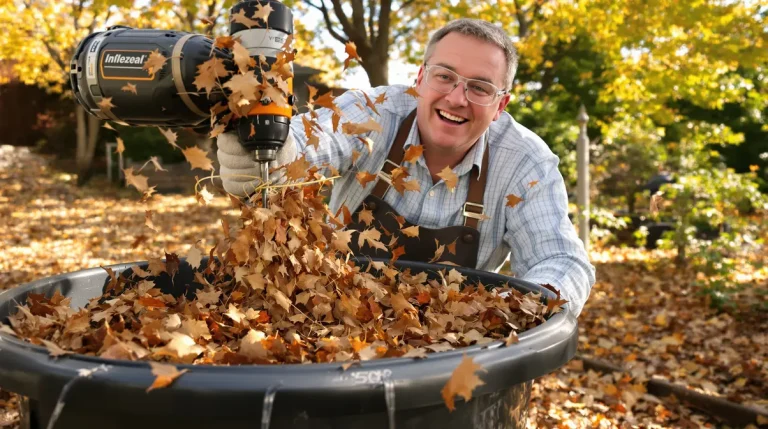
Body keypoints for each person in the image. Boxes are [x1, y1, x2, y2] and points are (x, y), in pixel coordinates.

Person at [217, 18, 595, 317]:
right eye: (444, 76)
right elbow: (307, 143)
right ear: (419, 78)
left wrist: (513, 308)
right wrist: (267, 151)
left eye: (480, 88)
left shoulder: (526, 162)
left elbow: (560, 260)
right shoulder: (375, 111)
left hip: (455, 350)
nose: (456, 98)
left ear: (501, 105)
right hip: (332, 322)